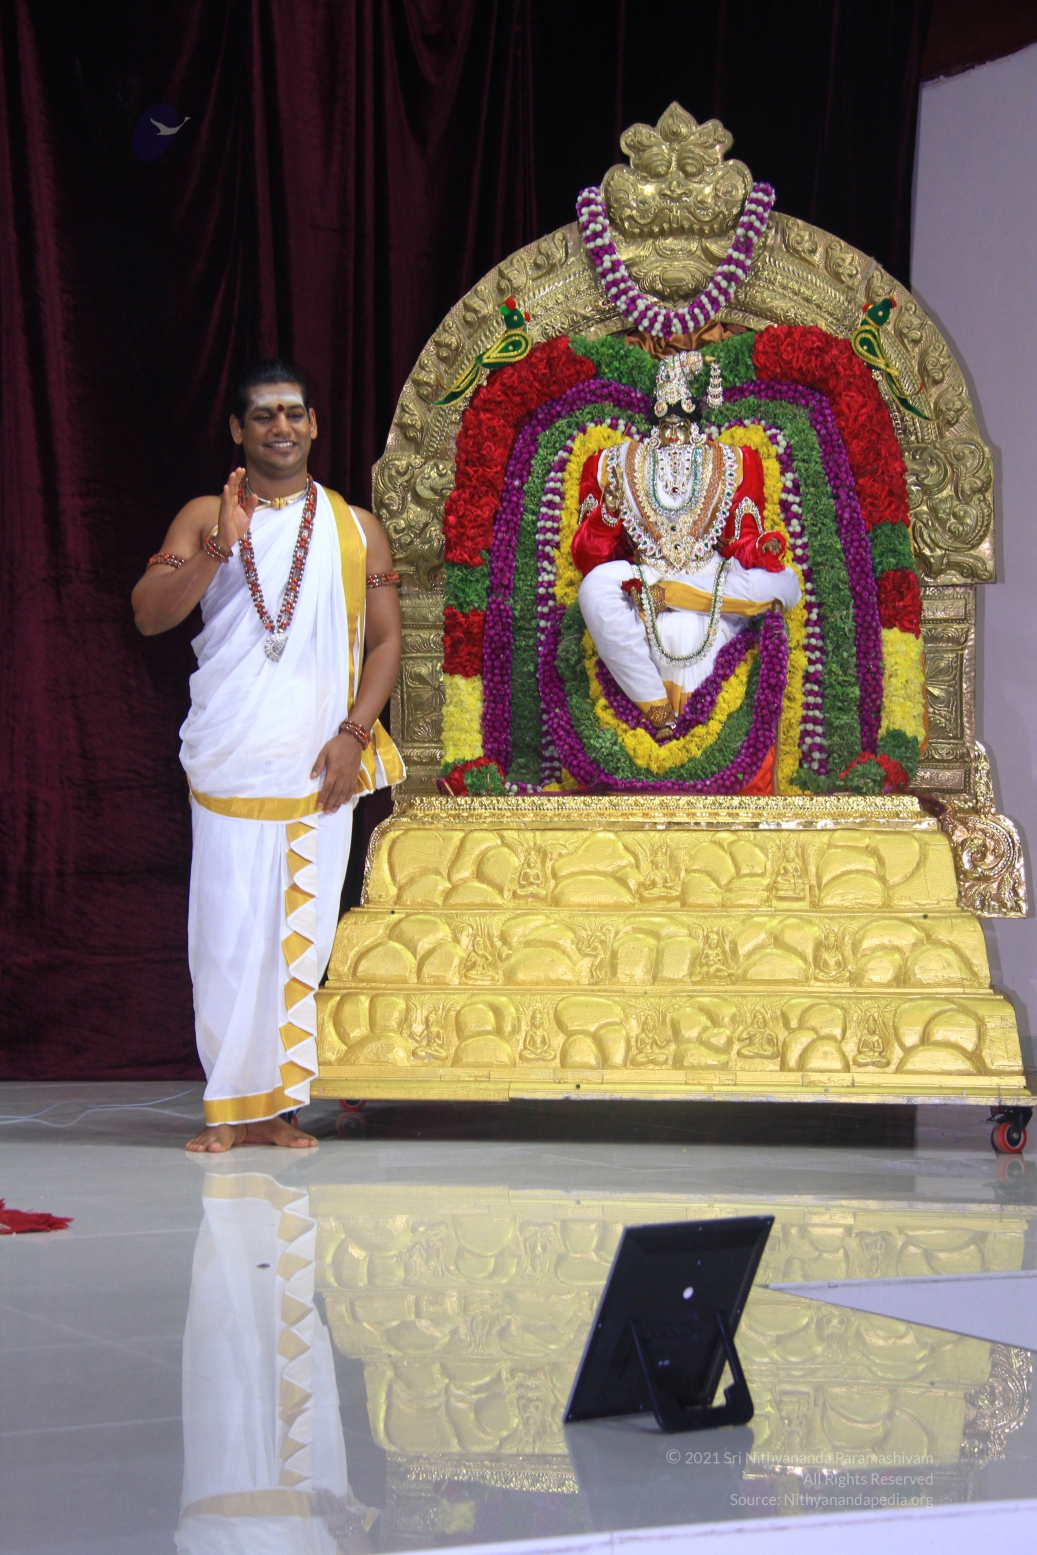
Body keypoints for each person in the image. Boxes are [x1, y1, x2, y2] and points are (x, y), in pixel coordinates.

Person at [132, 360, 403, 1152]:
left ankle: (277, 1110)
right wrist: (221, 544)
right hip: (230, 758)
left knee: (301, 936)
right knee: (226, 939)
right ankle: (229, 1108)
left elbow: (387, 641)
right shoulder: (202, 516)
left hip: (321, 765)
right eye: (262, 415)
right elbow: (150, 614)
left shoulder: (356, 527)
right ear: (238, 430)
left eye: (292, 412)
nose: (279, 426)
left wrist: (354, 735)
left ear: (313, 424)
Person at [573, 349, 801, 739]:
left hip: (709, 573)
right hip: (646, 574)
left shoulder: (731, 461)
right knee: (593, 589)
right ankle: (660, 713)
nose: (674, 435)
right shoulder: (617, 463)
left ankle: (670, 596)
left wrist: (761, 548)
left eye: (681, 425)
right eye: (666, 425)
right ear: (655, 422)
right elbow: (587, 559)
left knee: (787, 585)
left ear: (694, 423)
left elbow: (742, 539)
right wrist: (608, 511)